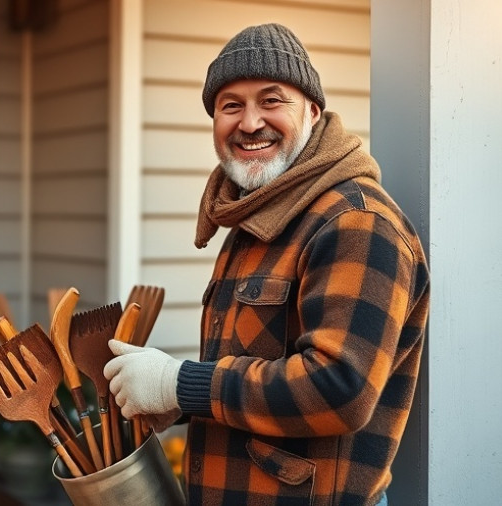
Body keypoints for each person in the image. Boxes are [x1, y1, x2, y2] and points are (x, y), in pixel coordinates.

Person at [104, 23, 429, 506]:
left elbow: (339, 388)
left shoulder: (355, 223)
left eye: (272, 101)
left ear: (313, 112)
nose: (250, 122)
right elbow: (258, 366)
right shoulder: (258, 215)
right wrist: (176, 402)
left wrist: (182, 385)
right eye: (231, 105)